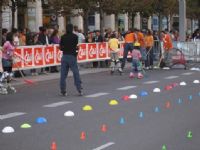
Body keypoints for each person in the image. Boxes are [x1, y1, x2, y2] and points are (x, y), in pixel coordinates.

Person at [59, 24, 83, 96]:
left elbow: (60, 47)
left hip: (65, 56)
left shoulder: (63, 37)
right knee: (76, 73)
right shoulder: (75, 36)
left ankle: (63, 90)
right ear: (72, 29)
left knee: (63, 75)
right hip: (72, 56)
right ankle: (79, 89)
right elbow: (77, 46)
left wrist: (64, 48)